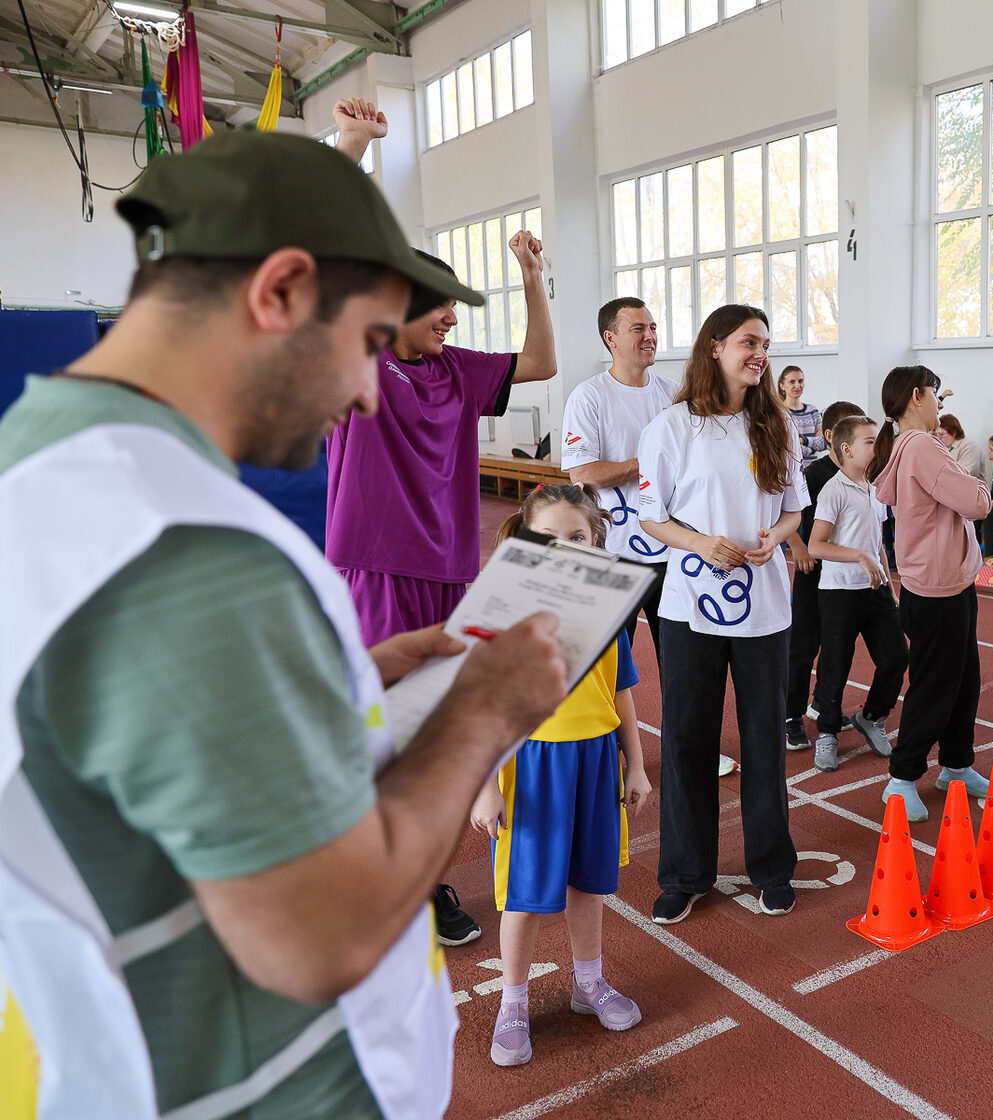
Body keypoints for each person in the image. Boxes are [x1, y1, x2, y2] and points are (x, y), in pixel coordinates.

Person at [0, 130, 569, 1118]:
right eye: (370, 343)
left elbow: (149, 755)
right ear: (281, 292)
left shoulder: (45, 459)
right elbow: (326, 934)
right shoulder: (179, 544)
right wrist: (483, 711)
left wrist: (344, 677)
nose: (367, 390)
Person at [328, 106, 559, 943]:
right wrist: (352, 149)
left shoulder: (457, 370)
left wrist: (531, 276)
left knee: (433, 738)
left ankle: (420, 882)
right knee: (378, 732)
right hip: (375, 567)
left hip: (449, 572)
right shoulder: (358, 356)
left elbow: (541, 362)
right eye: (441, 308)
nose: (454, 319)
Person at [470, 484, 651, 1067]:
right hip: (532, 769)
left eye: (578, 536)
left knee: (587, 884)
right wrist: (485, 788)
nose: (565, 547)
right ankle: (513, 1001)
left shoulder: (609, 615)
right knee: (522, 896)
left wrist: (637, 765)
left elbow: (621, 694)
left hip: (595, 764)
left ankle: (588, 982)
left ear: (597, 543)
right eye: (549, 537)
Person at [637, 304, 806, 923]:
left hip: (764, 609)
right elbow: (651, 517)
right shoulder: (672, 426)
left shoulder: (776, 424)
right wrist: (701, 544)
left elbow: (793, 508)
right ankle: (685, 874)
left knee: (764, 741)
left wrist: (775, 538)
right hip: (689, 607)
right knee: (688, 740)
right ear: (714, 347)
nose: (760, 354)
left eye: (765, 344)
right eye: (748, 343)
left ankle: (771, 868)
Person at [561, 301, 740, 773]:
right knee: (605, 664)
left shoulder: (671, 393)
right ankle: (607, 758)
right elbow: (583, 473)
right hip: (614, 554)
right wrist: (649, 461)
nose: (650, 336)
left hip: (673, 548)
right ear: (611, 338)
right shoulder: (589, 396)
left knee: (683, 663)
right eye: (638, 328)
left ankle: (694, 753)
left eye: (654, 327)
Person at [870, 365, 993, 822]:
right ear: (917, 397)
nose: (940, 402)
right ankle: (901, 778)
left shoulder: (911, 444)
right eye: (935, 394)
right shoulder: (921, 446)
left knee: (964, 680)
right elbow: (977, 502)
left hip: (946, 583)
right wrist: (977, 483)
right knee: (935, 685)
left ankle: (957, 765)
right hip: (937, 589)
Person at [807, 415, 909, 772]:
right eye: (870, 442)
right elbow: (816, 546)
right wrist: (859, 557)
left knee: (896, 657)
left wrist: (889, 584)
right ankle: (827, 733)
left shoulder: (875, 486)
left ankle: (872, 716)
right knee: (835, 665)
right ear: (847, 449)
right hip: (840, 592)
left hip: (875, 589)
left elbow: (876, 541)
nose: (877, 446)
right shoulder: (833, 491)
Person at [785, 399, 866, 749]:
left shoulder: (860, 475)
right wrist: (798, 547)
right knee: (804, 645)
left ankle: (822, 704)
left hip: (843, 576)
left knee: (837, 645)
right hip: (813, 569)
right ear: (832, 436)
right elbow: (785, 510)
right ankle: (790, 714)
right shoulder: (814, 474)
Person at [780, 364, 827, 466]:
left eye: (800, 381)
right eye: (792, 382)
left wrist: (802, 440)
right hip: (790, 469)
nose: (797, 385)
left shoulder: (813, 411)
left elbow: (825, 443)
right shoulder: (779, 412)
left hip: (813, 469)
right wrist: (813, 446)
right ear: (782, 385)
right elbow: (783, 448)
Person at [937, 413, 988, 483]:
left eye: (941, 435)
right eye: (937, 435)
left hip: (970, 487)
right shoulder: (946, 447)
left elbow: (966, 474)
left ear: (953, 432)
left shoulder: (969, 447)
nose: (939, 439)